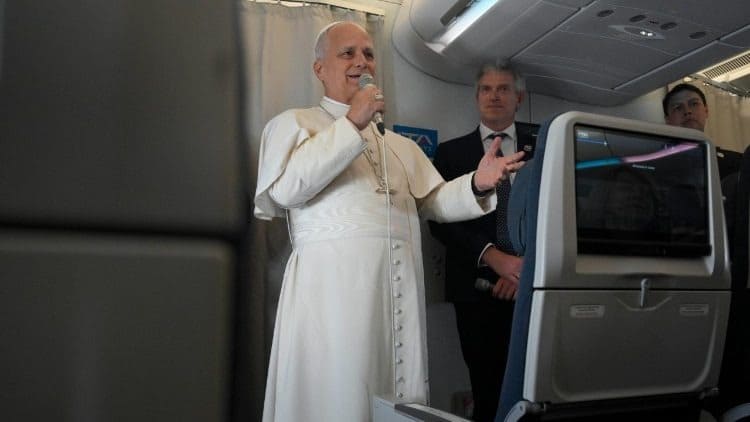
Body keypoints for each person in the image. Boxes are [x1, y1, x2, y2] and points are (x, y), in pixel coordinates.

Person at [253, 21, 525, 422]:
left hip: (397, 301)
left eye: (368, 53)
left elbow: (433, 201)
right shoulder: (295, 124)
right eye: (347, 53)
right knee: (337, 395)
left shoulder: (399, 146)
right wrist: (352, 123)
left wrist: (477, 183)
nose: (361, 61)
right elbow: (286, 191)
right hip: (332, 302)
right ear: (319, 69)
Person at [428, 62, 536, 422]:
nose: (494, 96)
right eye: (486, 89)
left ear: (519, 98)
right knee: (487, 389)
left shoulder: (544, 149)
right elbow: (440, 221)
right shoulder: (450, 153)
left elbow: (557, 214)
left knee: (535, 390)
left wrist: (523, 271)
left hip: (533, 287)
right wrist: (495, 259)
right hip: (475, 292)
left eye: (503, 88)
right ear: (476, 97)